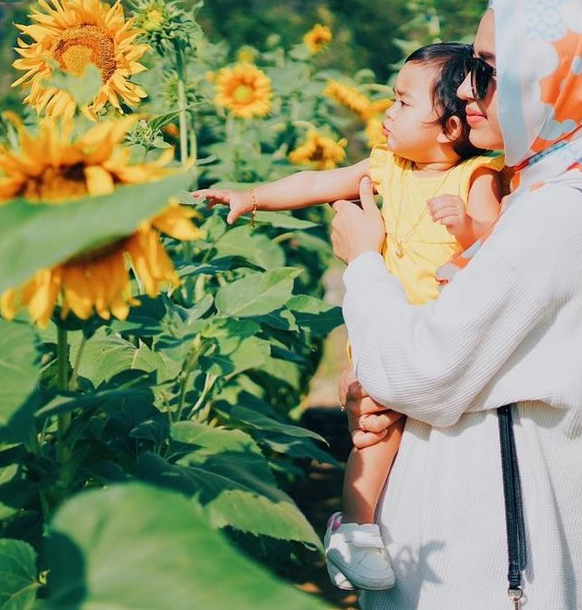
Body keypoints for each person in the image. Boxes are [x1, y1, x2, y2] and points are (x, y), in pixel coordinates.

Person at [330, 0, 582, 609]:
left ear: (565, 82)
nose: (465, 89)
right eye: (471, 65)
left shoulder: (563, 216)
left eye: (488, 70)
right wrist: (366, 389)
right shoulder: (535, 198)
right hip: (461, 554)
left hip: (487, 575)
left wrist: (363, 263)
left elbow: (422, 369)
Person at [193, 42, 504, 592]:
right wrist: (254, 196)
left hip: (438, 335)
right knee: (374, 430)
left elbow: (493, 241)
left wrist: (463, 228)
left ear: (451, 127)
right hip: (386, 329)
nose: (386, 113)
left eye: (403, 104)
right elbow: (317, 184)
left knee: (411, 437)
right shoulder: (387, 166)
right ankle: (354, 530)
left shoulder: (476, 178)